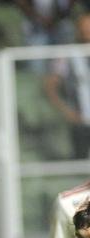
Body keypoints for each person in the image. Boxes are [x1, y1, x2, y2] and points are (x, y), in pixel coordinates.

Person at [44, 14, 90, 160]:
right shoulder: (68, 53)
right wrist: (67, 112)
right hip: (80, 121)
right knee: (79, 165)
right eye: (84, 29)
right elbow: (50, 86)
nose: (87, 33)